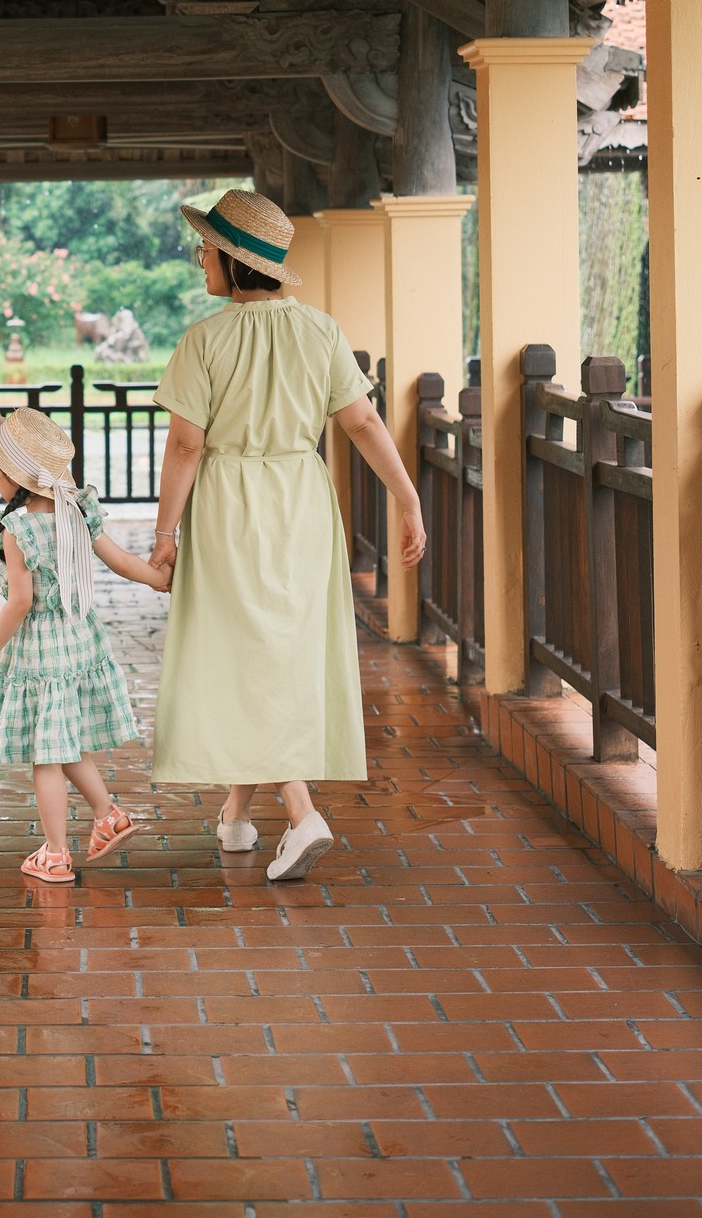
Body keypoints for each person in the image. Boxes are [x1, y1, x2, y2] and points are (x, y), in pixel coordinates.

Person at [148, 188, 428, 883]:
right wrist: (408, 497)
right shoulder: (321, 331)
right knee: (274, 652)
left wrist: (163, 536)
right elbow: (361, 423)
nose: (198, 259)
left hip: (229, 504)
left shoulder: (204, 339)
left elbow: (186, 445)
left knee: (242, 655)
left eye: (206, 249)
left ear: (235, 264)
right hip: (302, 503)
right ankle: (236, 816)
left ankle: (301, 814)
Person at [0, 405, 174, 884]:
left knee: (45, 755)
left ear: (13, 474)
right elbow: (119, 561)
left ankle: (54, 854)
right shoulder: (77, 510)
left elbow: (21, 602)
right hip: (81, 638)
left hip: (41, 651)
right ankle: (108, 815)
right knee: (61, 741)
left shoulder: (17, 529)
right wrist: (158, 578)